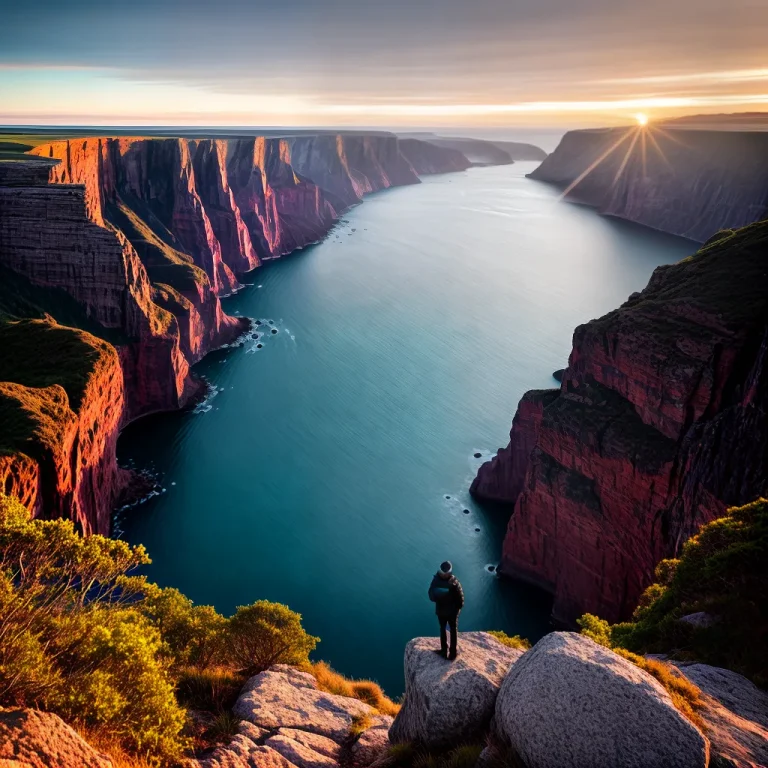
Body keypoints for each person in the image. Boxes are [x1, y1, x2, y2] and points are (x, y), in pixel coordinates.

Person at [428, 560, 464, 659]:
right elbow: (460, 598)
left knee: (442, 629)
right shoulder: (454, 582)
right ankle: (452, 653)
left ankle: (444, 651)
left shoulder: (436, 581)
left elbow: (431, 596)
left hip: (441, 611)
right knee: (453, 630)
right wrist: (458, 608)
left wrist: (439, 597)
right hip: (453, 611)